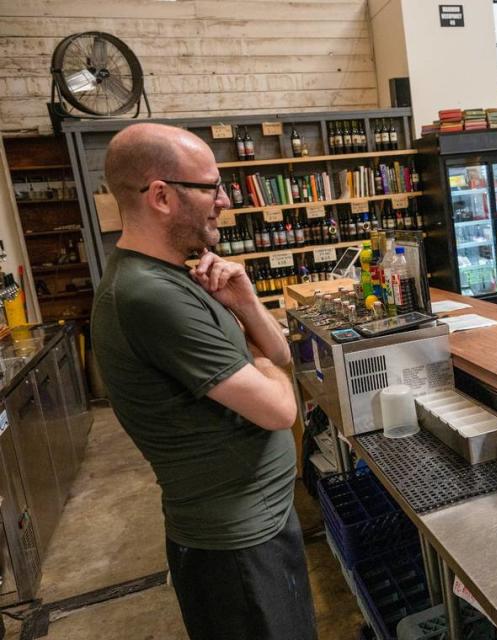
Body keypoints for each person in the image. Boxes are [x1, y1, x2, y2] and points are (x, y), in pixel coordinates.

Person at [91, 123, 318, 638]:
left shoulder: (178, 275)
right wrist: (266, 368)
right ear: (162, 196)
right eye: (210, 187)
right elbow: (280, 408)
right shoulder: (149, 295)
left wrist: (245, 302)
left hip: (256, 524)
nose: (224, 200)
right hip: (235, 546)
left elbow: (280, 352)